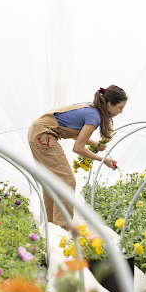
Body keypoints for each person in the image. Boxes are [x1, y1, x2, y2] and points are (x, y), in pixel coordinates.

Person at [27, 85, 127, 229]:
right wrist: (103, 160)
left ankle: (51, 227)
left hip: (37, 132)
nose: (121, 112)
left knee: (51, 181)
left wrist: (94, 143)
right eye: (120, 108)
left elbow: (75, 133)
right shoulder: (95, 116)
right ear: (110, 104)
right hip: (43, 135)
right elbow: (78, 148)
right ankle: (62, 227)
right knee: (67, 181)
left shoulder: (91, 107)